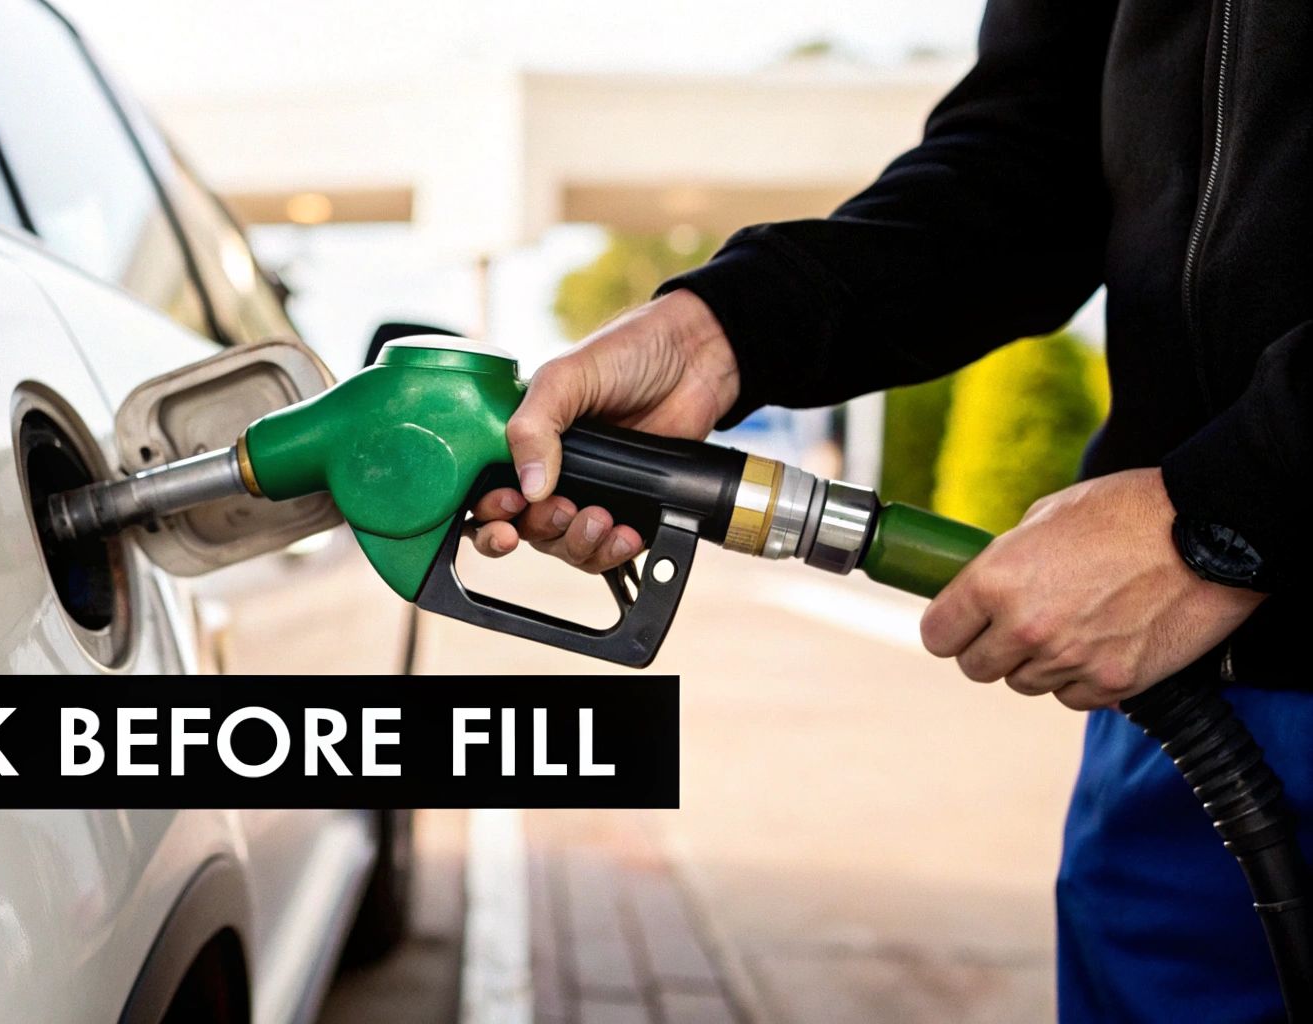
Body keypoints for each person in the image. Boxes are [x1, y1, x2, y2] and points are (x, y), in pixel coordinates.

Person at [470, 0, 1310, 1018]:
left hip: (1197, 572)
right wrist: (721, 330)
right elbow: (1025, 163)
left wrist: (1227, 510)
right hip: (1175, 709)